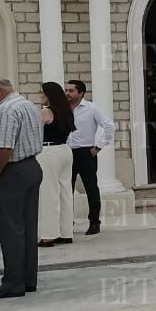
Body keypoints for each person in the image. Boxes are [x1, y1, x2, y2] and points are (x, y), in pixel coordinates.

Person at [0, 75, 44, 299]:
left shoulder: (6, 110)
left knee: (11, 230)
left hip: (12, 171)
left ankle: (13, 283)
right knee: (27, 228)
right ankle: (28, 279)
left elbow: (5, 148)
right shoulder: (27, 105)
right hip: (31, 167)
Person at [65, 80, 114, 236]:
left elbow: (109, 126)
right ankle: (66, 222)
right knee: (66, 189)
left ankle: (94, 222)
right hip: (66, 152)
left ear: (81, 93)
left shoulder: (92, 108)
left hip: (86, 152)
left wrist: (98, 147)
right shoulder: (61, 109)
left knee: (91, 187)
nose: (67, 93)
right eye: (66, 90)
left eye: (71, 91)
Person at [38, 81, 77, 247]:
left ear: (48, 95)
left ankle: (48, 235)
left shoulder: (46, 111)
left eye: (42, 93)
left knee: (49, 193)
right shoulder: (66, 110)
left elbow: (34, 131)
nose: (40, 96)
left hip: (49, 151)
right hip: (65, 150)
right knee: (65, 192)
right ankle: (66, 232)